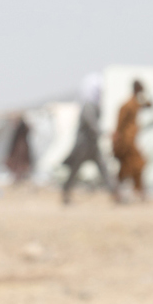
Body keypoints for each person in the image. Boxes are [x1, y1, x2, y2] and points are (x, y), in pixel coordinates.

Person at [61, 73, 117, 205]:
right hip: (83, 146)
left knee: (104, 169)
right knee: (74, 170)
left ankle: (115, 193)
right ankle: (65, 193)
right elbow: (93, 125)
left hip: (92, 145)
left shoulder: (94, 106)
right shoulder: (88, 107)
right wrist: (105, 133)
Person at [112, 79, 152, 202]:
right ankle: (136, 191)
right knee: (138, 163)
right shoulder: (127, 105)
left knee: (128, 167)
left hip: (131, 140)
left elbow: (150, 105)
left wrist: (144, 96)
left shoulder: (135, 103)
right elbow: (119, 125)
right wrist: (117, 140)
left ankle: (121, 192)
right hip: (126, 141)